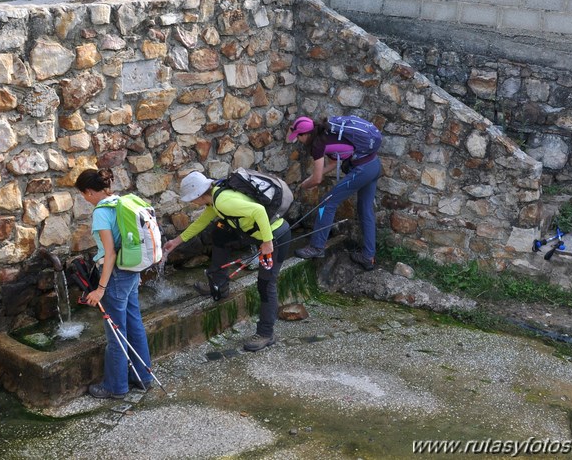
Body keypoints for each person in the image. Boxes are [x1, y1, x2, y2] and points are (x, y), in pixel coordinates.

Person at [163, 171, 291, 352]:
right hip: (257, 235)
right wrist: (175, 242)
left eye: (191, 199)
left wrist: (267, 242)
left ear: (198, 195)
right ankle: (219, 285)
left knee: (266, 284)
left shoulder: (223, 202)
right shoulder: (216, 198)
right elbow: (200, 223)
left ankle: (266, 333)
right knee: (220, 233)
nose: (192, 203)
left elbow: (259, 211)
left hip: (276, 237)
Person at [75, 168, 153, 398]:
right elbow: (130, 242)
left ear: (89, 191)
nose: (84, 199)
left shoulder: (101, 212)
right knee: (134, 323)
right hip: (131, 270)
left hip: (115, 275)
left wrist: (100, 289)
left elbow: (109, 253)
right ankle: (143, 377)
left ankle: (115, 386)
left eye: (83, 194)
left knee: (116, 333)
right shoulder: (121, 203)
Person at [287, 115, 382, 270]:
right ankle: (368, 256)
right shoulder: (328, 130)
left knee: (327, 202)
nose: (297, 140)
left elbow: (317, 180)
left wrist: (305, 185)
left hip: (362, 170)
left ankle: (317, 247)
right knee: (365, 210)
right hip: (373, 164)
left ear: (305, 135)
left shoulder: (317, 145)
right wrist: (313, 177)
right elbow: (332, 163)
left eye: (298, 136)